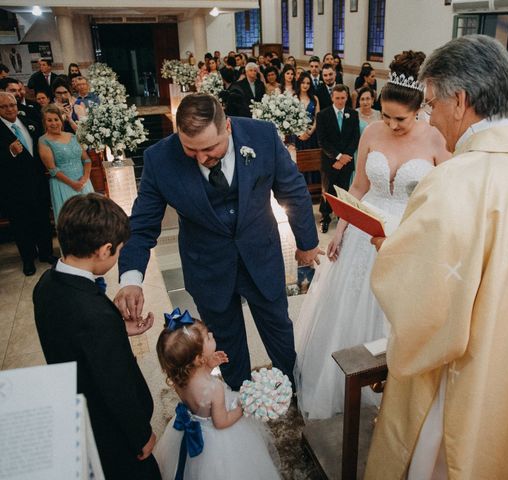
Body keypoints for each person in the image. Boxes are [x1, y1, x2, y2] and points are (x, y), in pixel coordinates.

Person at [364, 35, 508, 480]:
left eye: (431, 104)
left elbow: (426, 299)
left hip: (466, 376)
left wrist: (391, 250)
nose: (431, 117)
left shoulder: (455, 180)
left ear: (460, 101)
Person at [114, 94, 321, 391]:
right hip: (207, 267)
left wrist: (307, 243)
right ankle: (238, 399)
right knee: (224, 345)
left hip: (261, 256)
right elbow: (143, 223)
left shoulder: (262, 136)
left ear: (228, 127)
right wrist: (131, 279)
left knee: (279, 331)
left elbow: (294, 190)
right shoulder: (159, 159)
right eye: (190, 149)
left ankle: (294, 390)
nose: (201, 158)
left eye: (210, 148)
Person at [295, 51, 449, 420]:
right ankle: (343, 383)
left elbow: (445, 198)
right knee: (351, 305)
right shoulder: (374, 133)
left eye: (401, 119)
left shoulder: (436, 140)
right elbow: (360, 186)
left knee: (391, 313)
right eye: (386, 116)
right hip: (365, 233)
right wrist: (341, 229)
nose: (392, 125)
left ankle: (391, 394)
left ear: (419, 111)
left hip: (408, 237)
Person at [33, 193, 159, 480]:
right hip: (113, 435)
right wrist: (141, 435)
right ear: (104, 250)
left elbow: (74, 333)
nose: (117, 257)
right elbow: (116, 387)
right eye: (118, 252)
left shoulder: (46, 285)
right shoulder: (96, 316)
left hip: (78, 408)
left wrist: (117, 328)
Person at [153, 311, 280, 479]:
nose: (211, 334)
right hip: (216, 438)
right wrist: (242, 407)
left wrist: (208, 366)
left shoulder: (179, 380)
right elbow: (221, 422)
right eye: (208, 337)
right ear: (199, 359)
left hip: (193, 420)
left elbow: (195, 382)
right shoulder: (214, 387)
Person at [0, 92, 55, 275]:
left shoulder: (29, 122)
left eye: (12, 105)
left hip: (38, 182)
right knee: (21, 224)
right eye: (4, 106)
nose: (10, 109)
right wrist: (11, 153)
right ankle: (28, 259)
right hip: (13, 188)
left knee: (43, 219)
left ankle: (46, 253)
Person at [315, 84, 360, 233]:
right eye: (337, 98)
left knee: (344, 191)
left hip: (346, 162)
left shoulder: (352, 114)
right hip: (330, 161)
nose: (340, 101)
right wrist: (339, 157)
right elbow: (322, 141)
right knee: (328, 190)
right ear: (332, 97)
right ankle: (325, 217)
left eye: (343, 98)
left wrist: (345, 158)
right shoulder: (323, 115)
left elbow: (355, 138)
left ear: (347, 97)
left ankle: (343, 218)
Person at [38, 104, 93, 223]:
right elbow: (52, 169)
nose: (53, 123)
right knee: (72, 222)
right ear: (44, 122)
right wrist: (73, 184)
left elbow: (87, 159)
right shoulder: (43, 141)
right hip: (64, 185)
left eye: (56, 119)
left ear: (61, 120)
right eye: (49, 120)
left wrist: (84, 179)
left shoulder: (72, 136)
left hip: (84, 183)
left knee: (90, 220)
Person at [294, 72, 319, 150]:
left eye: (308, 83)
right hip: (297, 135)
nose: (305, 85)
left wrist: (311, 131)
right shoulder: (293, 98)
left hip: (311, 134)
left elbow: (317, 117)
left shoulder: (315, 98)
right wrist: (299, 133)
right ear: (299, 83)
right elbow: (291, 118)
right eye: (303, 83)